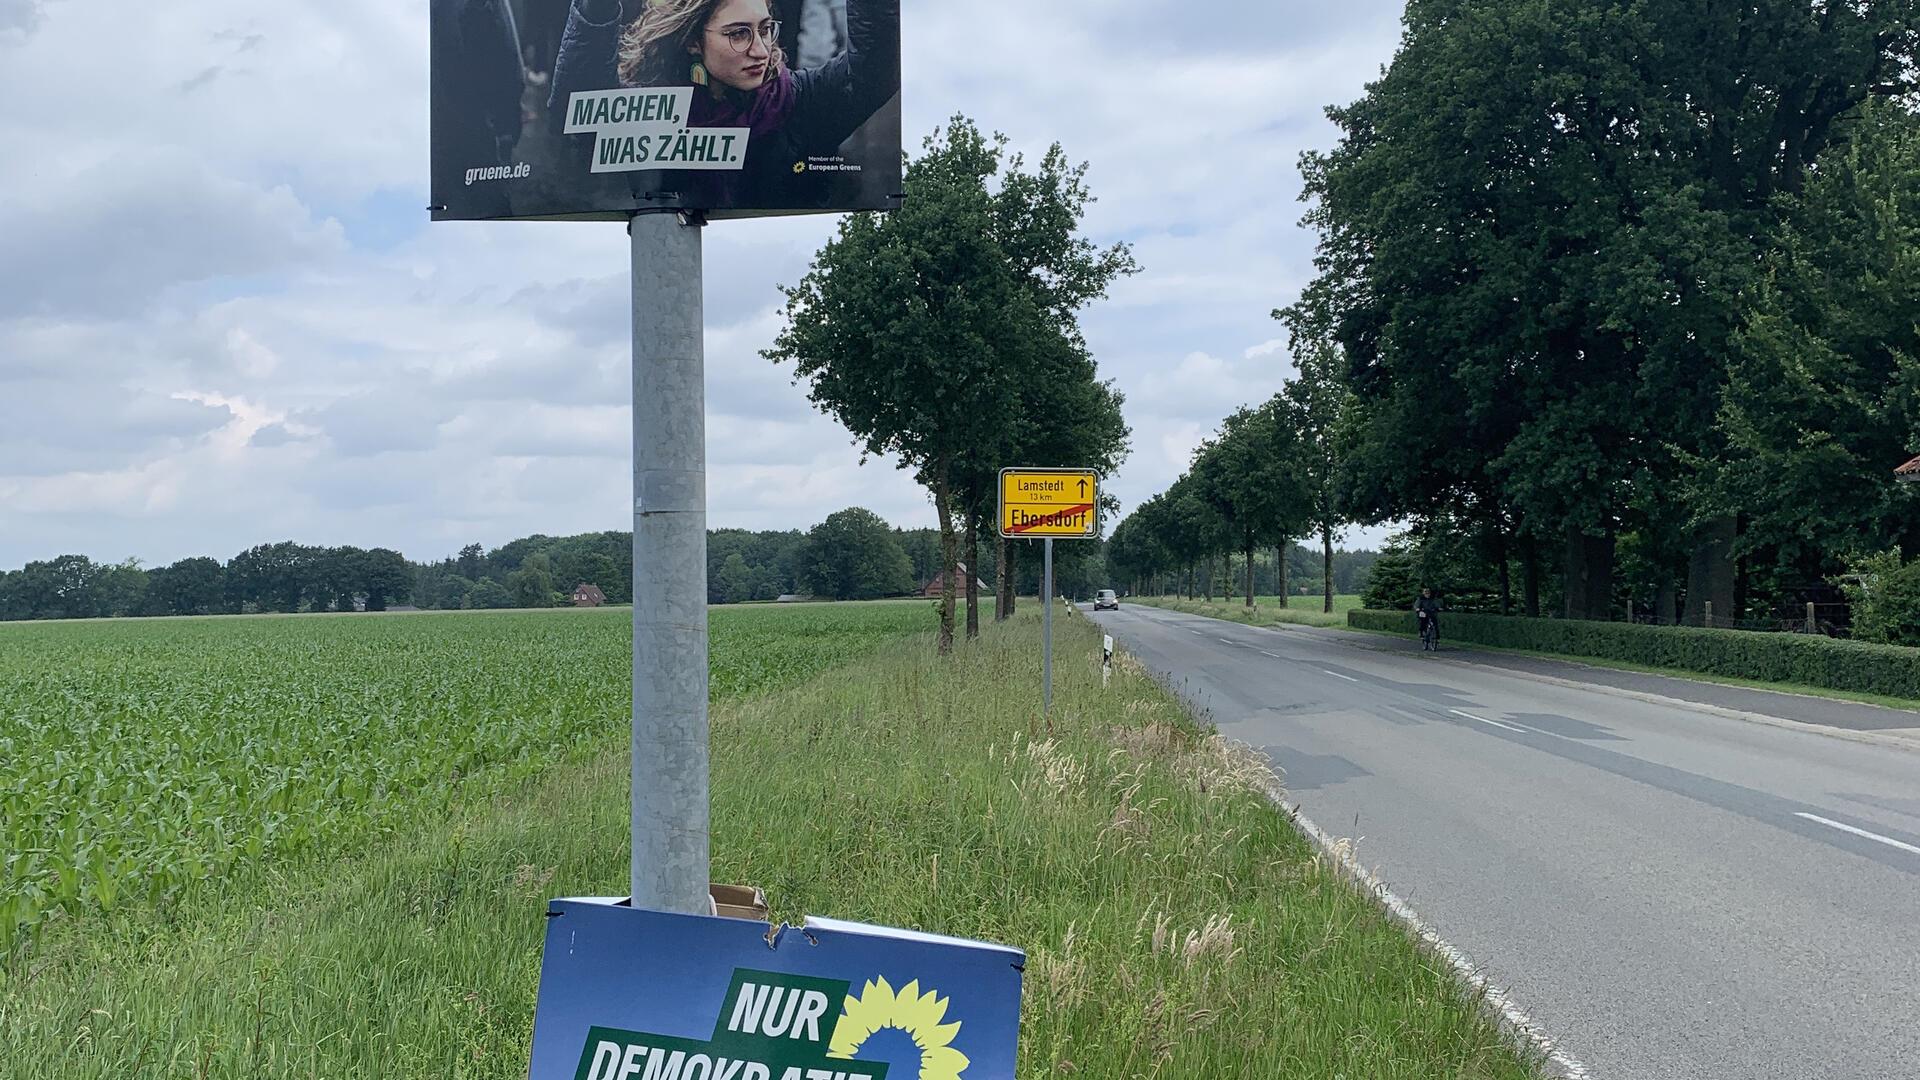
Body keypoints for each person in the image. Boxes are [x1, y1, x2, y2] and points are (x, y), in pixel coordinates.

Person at [547, 0, 898, 209]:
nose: (760, 51)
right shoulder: (651, 109)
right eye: (738, 34)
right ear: (692, 43)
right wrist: (596, 9)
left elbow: (874, 74)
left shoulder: (797, 101)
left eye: (765, 29)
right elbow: (577, 112)